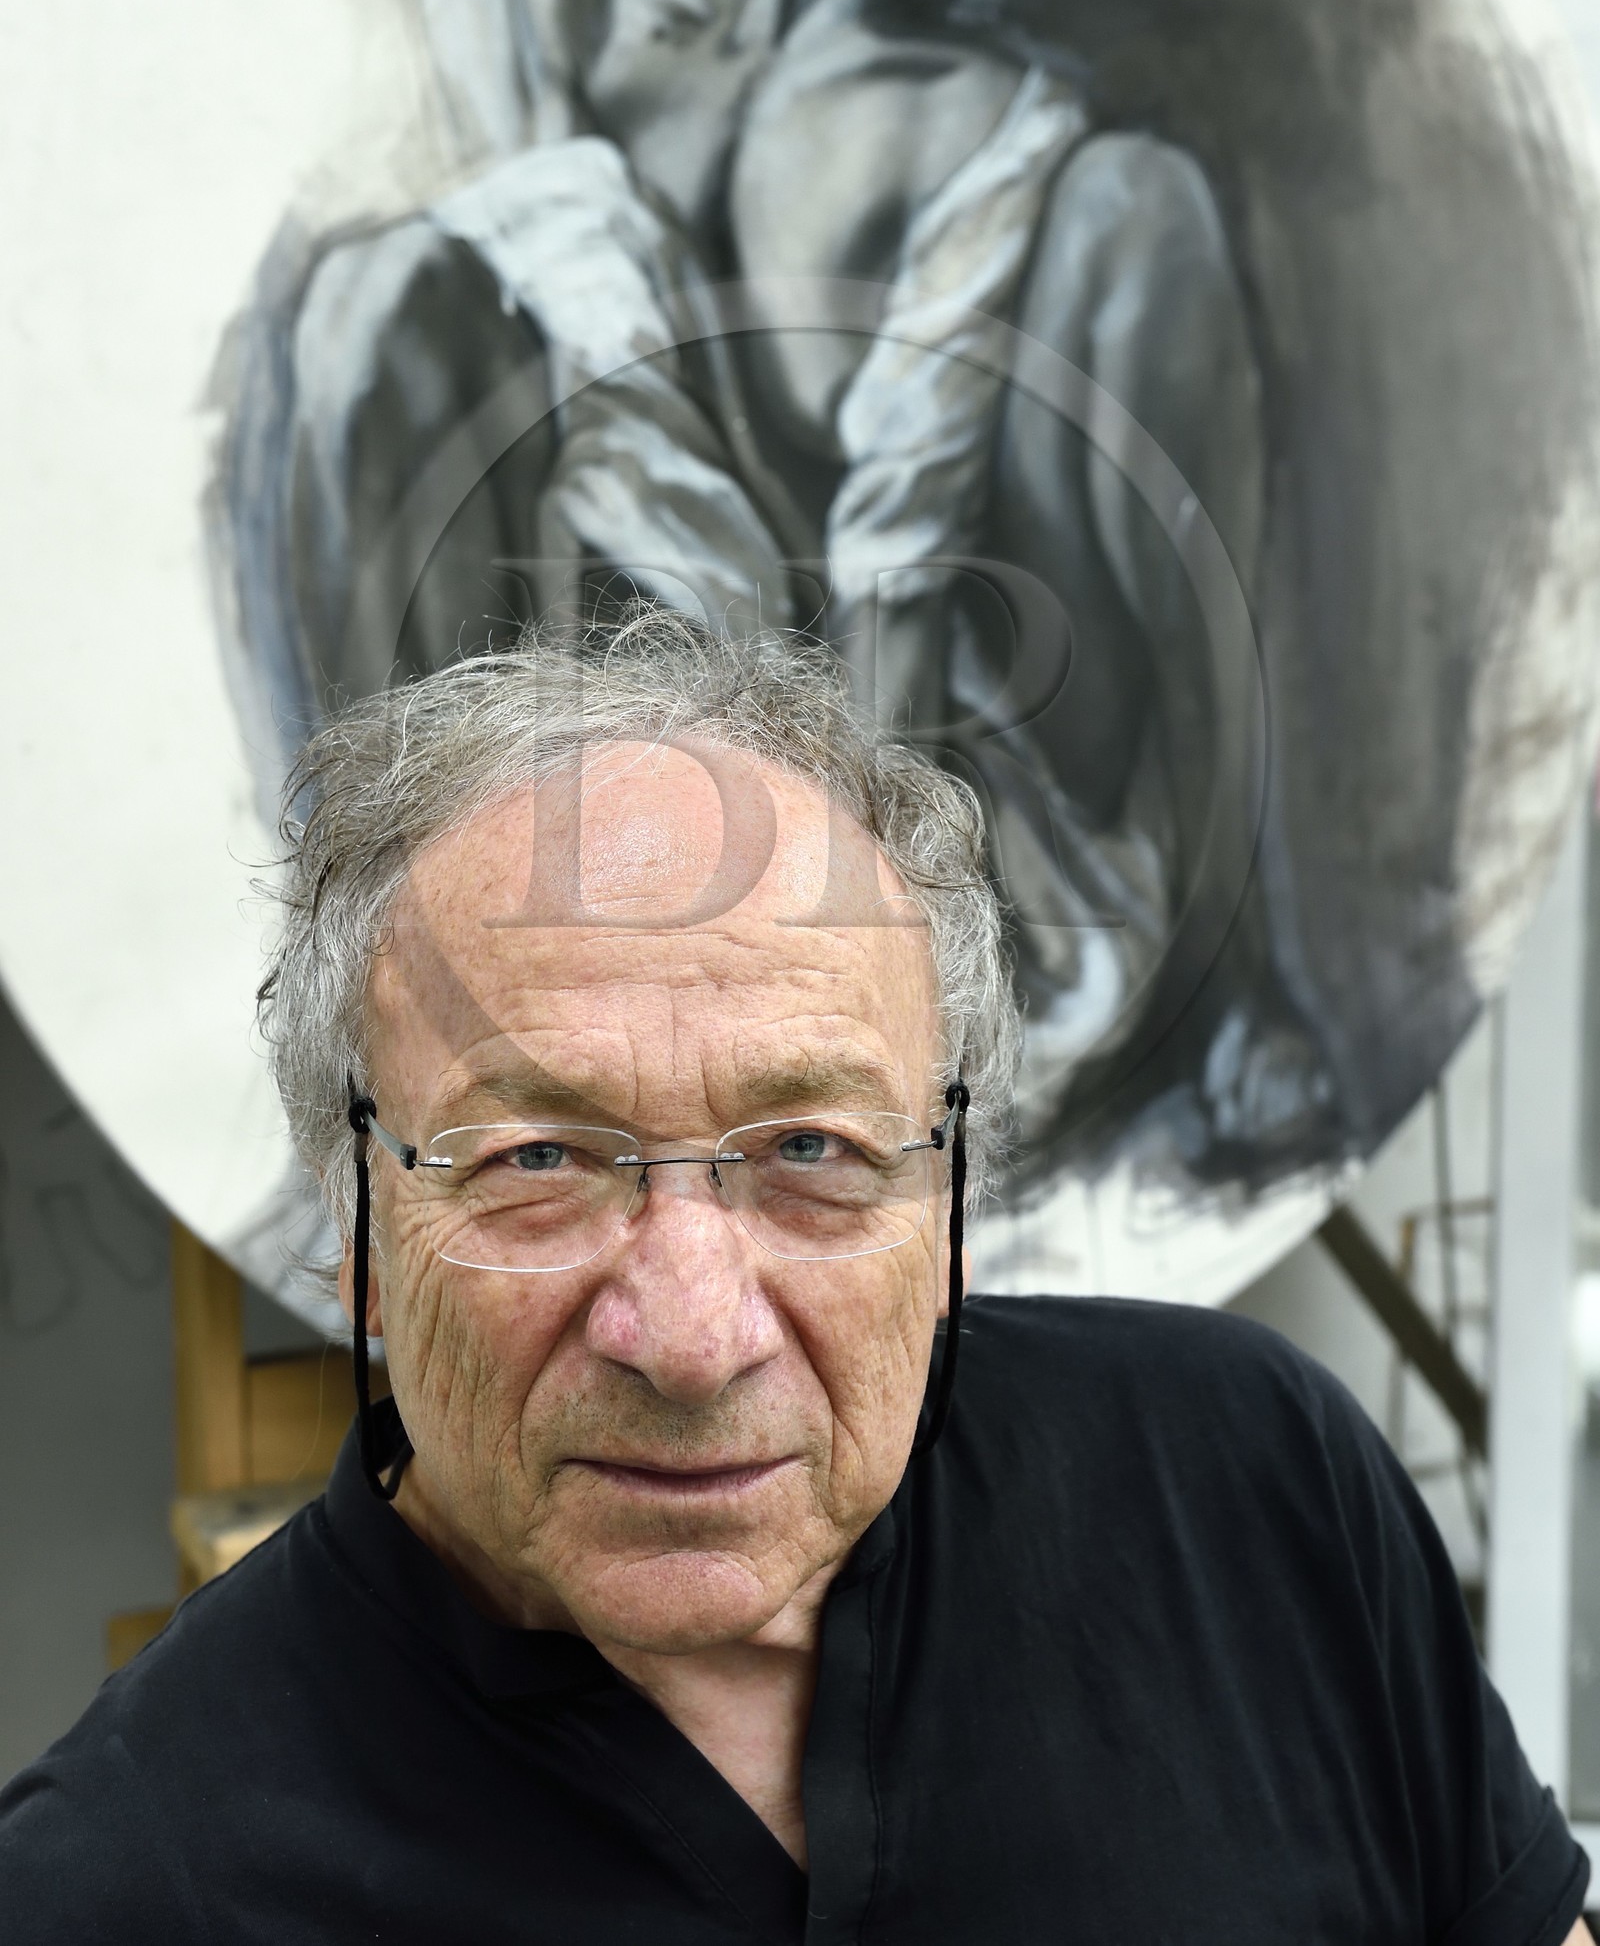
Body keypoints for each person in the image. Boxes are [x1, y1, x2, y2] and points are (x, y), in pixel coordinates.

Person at [0, 609, 1590, 1942]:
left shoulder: (1249, 1488)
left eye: (813, 1151)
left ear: (951, 1198)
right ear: (354, 1227)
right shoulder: (122, 1890)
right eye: (537, 1163)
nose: (691, 1338)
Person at [223, 0, 1336, 1190]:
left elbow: (903, 553)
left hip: (901, 733)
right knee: (365, 303)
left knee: (1143, 214)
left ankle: (1253, 964)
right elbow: (574, 359)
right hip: (556, 708)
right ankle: (350, 976)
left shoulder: (992, 127)